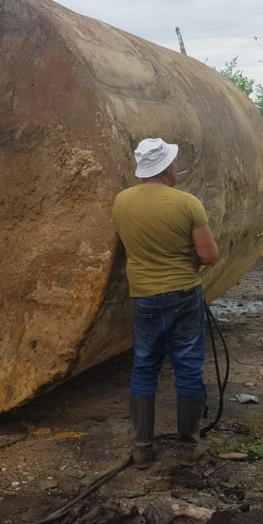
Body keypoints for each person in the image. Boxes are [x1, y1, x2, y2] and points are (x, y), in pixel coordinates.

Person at [112, 137, 220, 467]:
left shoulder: (121, 202)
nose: (176, 167)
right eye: (173, 163)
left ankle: (142, 448)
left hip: (144, 296)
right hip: (184, 295)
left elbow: (126, 245)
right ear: (167, 168)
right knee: (187, 367)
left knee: (145, 366)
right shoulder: (188, 203)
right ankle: (189, 448)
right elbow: (209, 255)